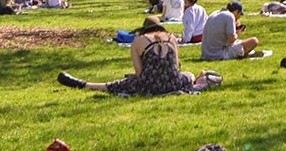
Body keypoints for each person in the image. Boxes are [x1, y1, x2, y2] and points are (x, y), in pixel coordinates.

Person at [57, 15, 207, 95]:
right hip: (174, 83)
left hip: (149, 85)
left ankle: (85, 84)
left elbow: (140, 73)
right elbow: (176, 66)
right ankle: (201, 78)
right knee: (189, 75)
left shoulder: (138, 42)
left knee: (116, 85)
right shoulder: (171, 38)